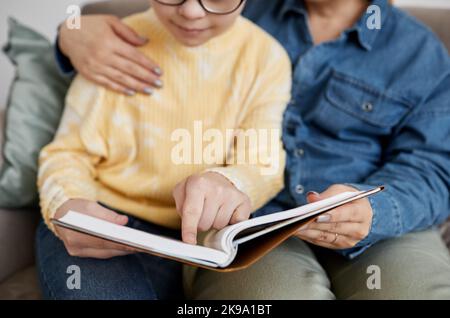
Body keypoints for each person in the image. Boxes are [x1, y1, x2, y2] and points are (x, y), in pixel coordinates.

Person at [54, 0, 450, 299]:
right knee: (270, 296)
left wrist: (373, 210)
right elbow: (153, 30)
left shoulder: (420, 52)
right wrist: (70, 30)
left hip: (379, 220)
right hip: (249, 220)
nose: (194, 11)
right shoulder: (228, 11)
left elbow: (434, 168)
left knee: (413, 291)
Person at [36, 0, 292, 299]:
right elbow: (68, 153)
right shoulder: (112, 45)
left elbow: (263, 163)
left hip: (205, 237)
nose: (192, 12)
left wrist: (231, 182)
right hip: (104, 220)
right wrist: (68, 204)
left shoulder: (265, 57)